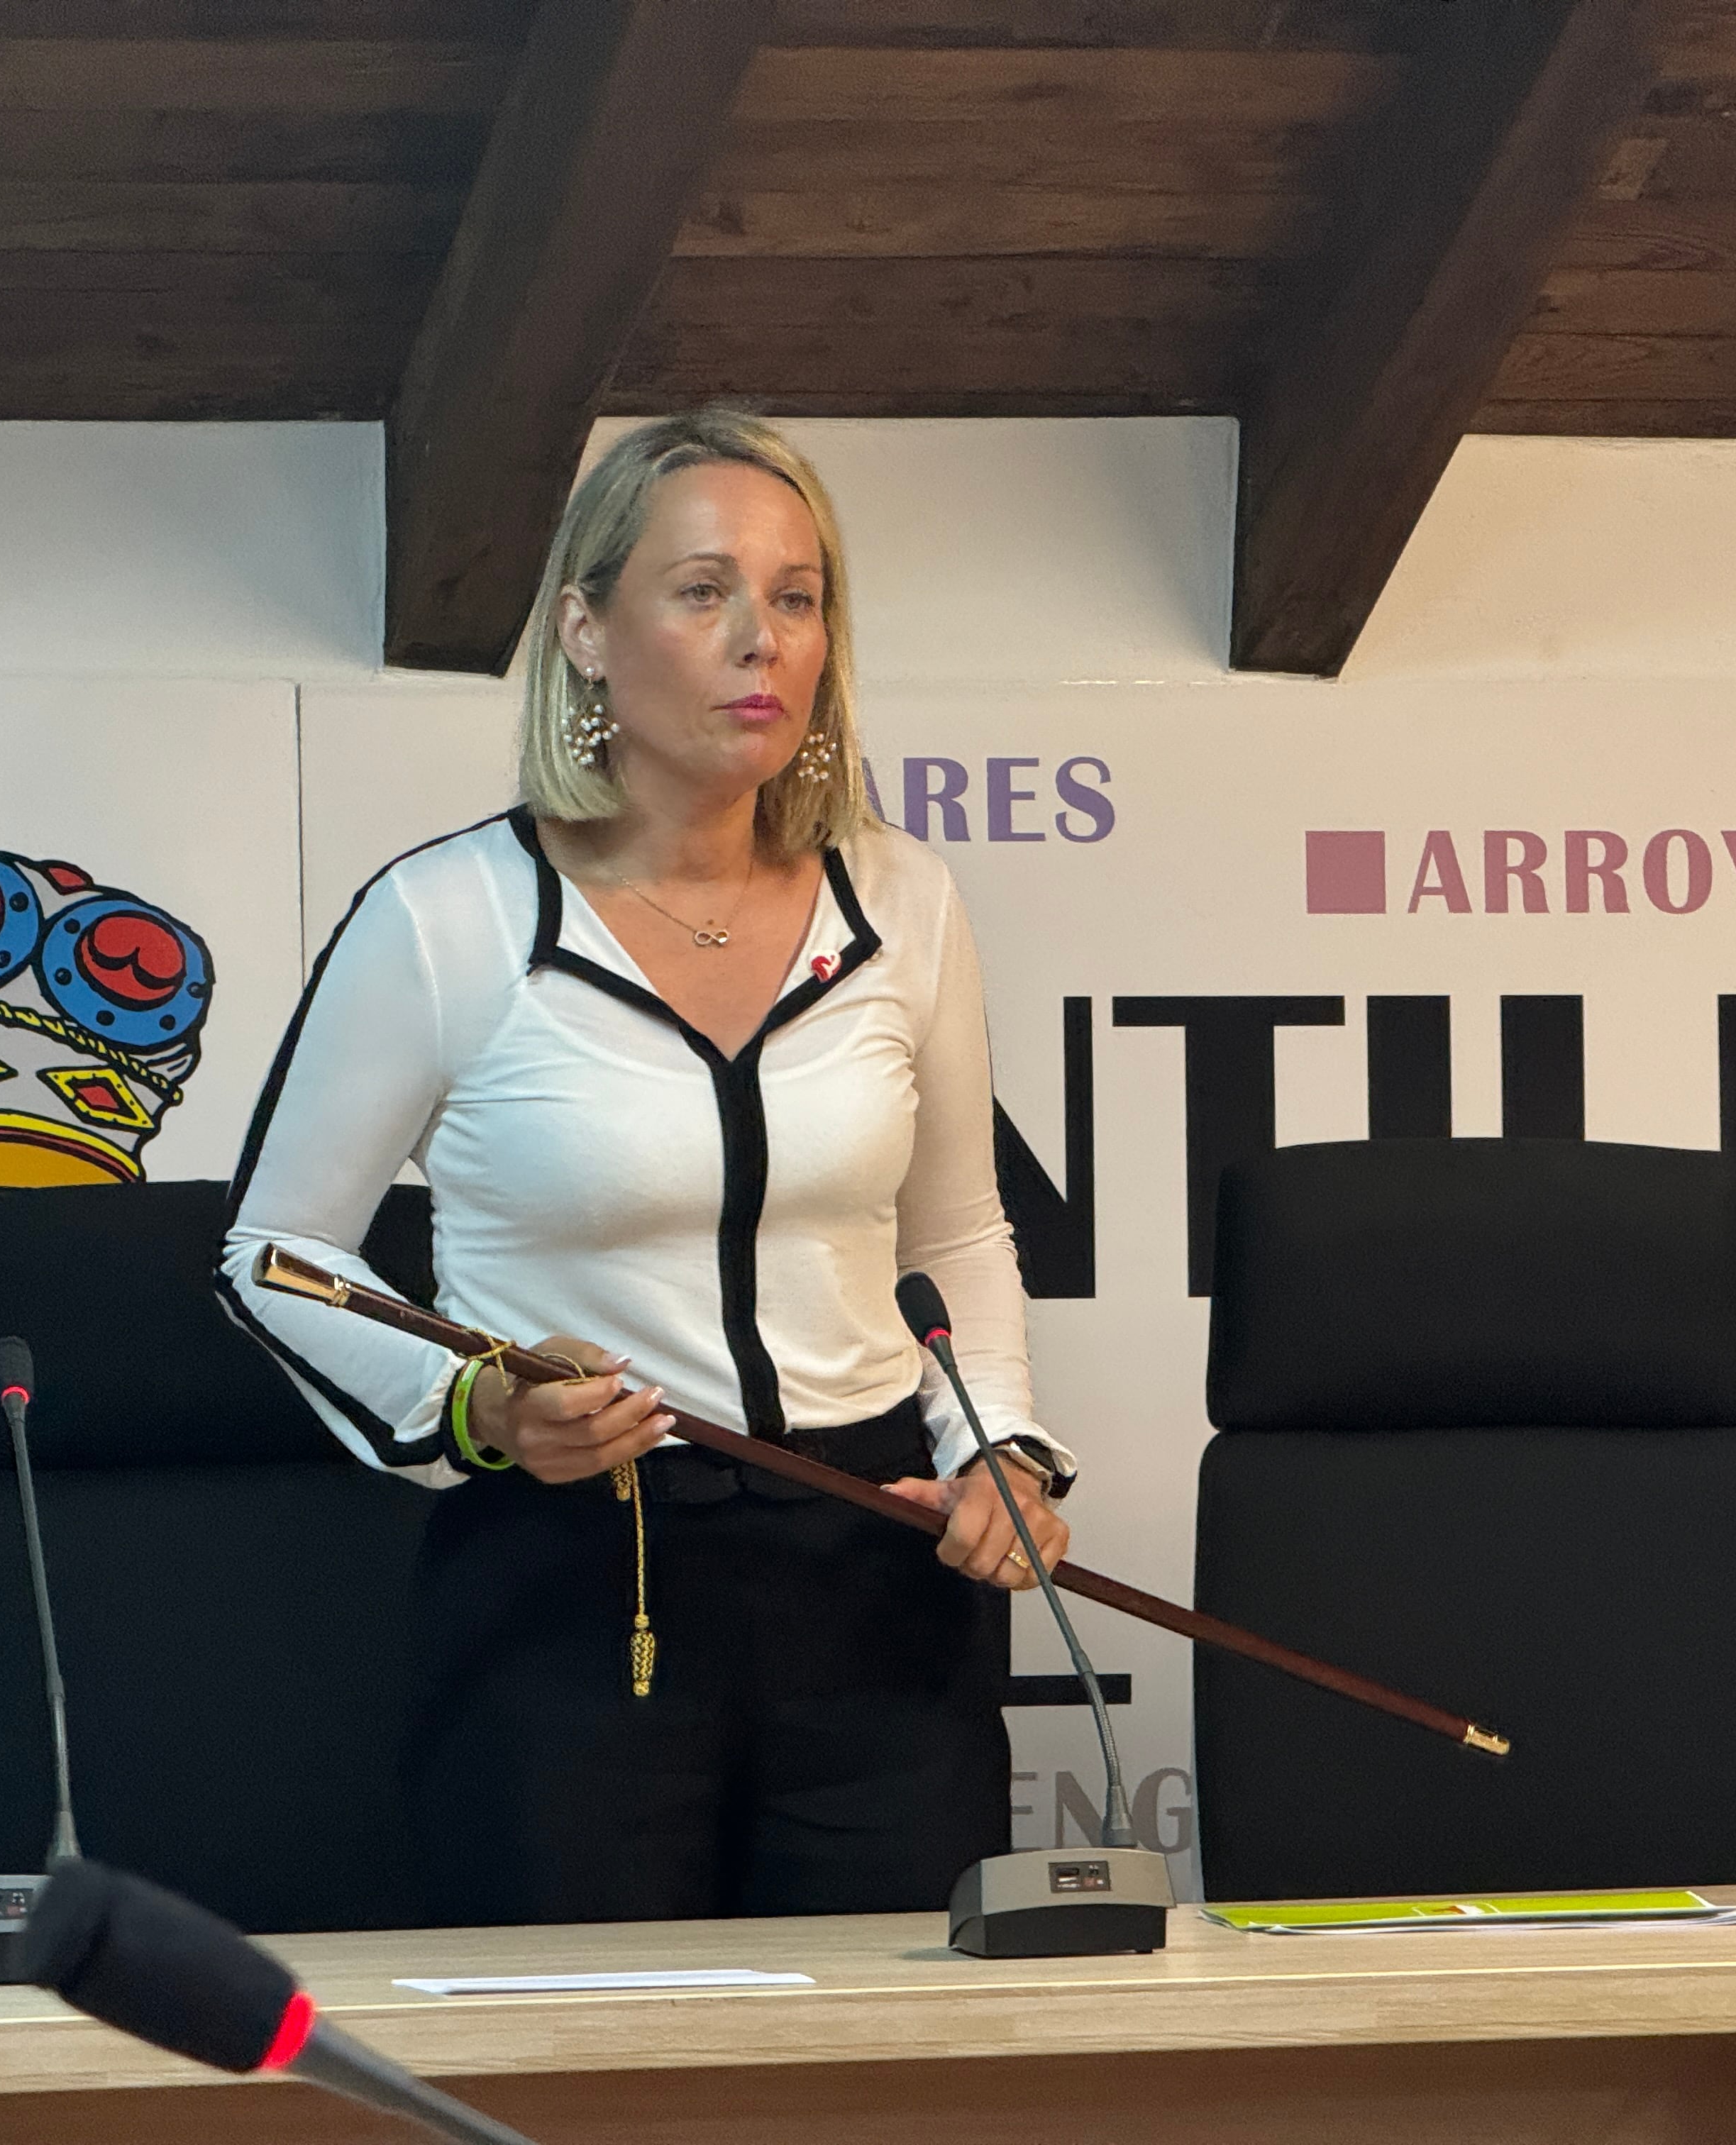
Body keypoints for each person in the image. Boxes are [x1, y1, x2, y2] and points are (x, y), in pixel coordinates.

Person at [222, 409, 1077, 1926]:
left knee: (884, 2082)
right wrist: (478, 1406)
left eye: (798, 596)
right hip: (571, 1585)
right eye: (703, 592)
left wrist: (999, 1450)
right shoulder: (446, 916)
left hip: (878, 1580)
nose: (763, 638)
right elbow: (278, 1257)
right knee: (592, 2069)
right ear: (586, 630)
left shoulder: (906, 896)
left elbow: (955, 1225)